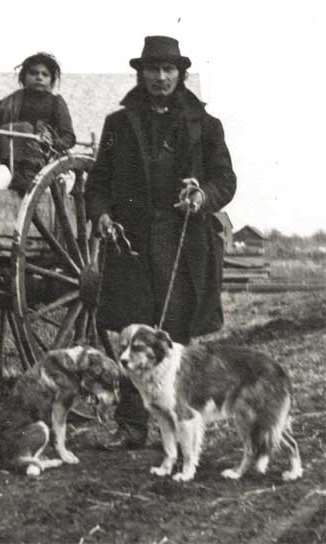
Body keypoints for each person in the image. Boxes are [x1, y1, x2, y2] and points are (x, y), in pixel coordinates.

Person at [85, 36, 237, 450]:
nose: (160, 76)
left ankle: (181, 424)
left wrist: (203, 194)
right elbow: (97, 182)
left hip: (183, 242)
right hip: (131, 243)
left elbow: (225, 180)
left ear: (180, 74)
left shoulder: (205, 125)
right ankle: (132, 426)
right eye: (152, 69)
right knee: (131, 335)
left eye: (169, 69)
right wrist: (100, 213)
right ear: (141, 73)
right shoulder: (118, 124)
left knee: (176, 337)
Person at [0, 52, 76, 192]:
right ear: (24, 76)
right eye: (33, 73)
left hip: (45, 160)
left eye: (45, 74)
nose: (39, 77)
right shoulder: (9, 102)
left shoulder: (56, 103)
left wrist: (52, 141)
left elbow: (69, 137)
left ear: (51, 80)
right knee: (20, 128)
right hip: (10, 160)